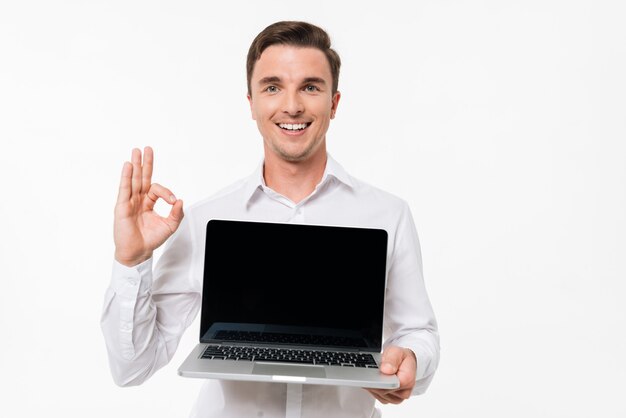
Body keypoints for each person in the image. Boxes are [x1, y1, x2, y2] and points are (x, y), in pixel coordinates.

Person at [101, 20, 439, 418]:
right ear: (251, 103)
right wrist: (132, 260)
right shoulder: (204, 219)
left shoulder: (388, 214)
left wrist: (412, 359)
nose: (292, 105)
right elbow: (132, 367)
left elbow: (419, 332)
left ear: (334, 103)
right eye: (273, 86)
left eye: (310, 87)